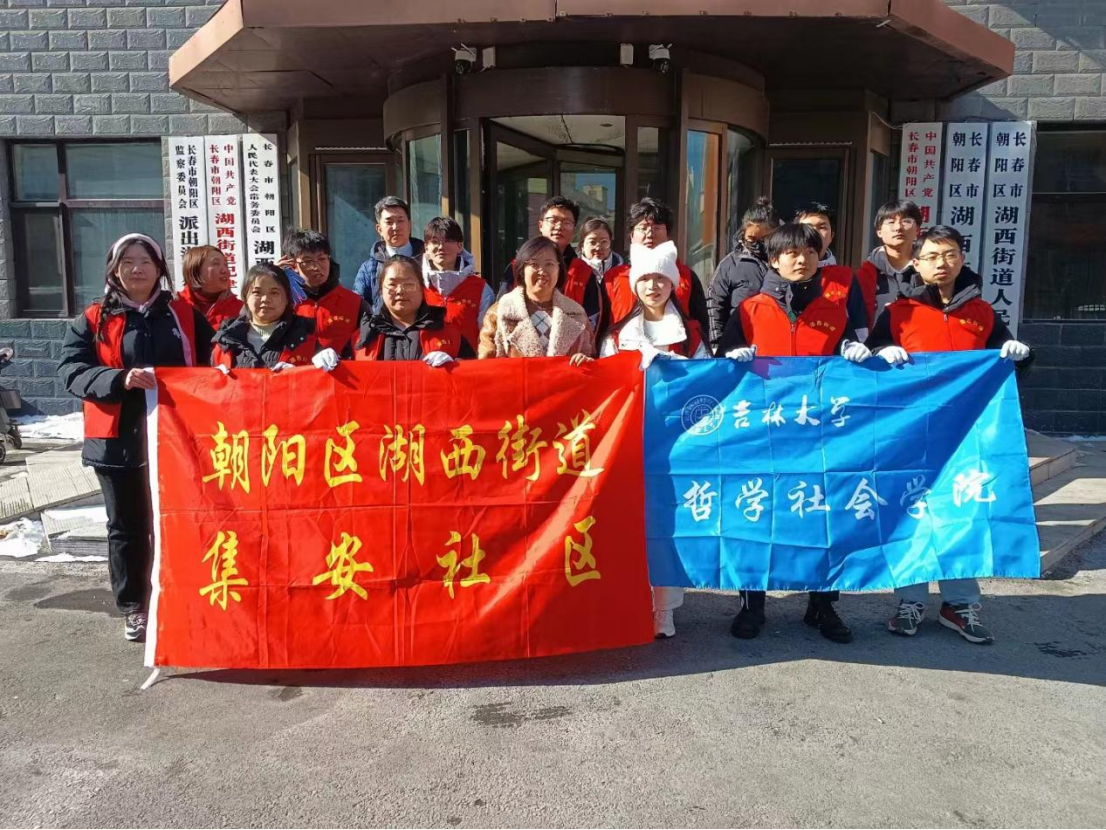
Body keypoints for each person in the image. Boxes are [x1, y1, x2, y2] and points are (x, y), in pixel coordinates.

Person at [867, 225, 1032, 645]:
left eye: (951, 254)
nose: (942, 263)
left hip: (968, 435)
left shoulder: (982, 313)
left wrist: (1020, 355)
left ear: (962, 259)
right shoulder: (897, 313)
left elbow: (1006, 361)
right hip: (911, 434)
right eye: (932, 256)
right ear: (916, 263)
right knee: (912, 512)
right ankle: (910, 601)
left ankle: (960, 604)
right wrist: (880, 353)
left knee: (963, 511)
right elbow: (868, 369)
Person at [720, 223, 876, 644]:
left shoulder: (834, 310)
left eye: (809, 251)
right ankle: (752, 604)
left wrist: (854, 350)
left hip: (819, 436)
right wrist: (731, 357)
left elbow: (850, 364)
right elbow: (720, 367)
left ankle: (822, 604)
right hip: (763, 435)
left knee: (821, 517)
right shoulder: (749, 310)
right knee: (757, 515)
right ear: (774, 259)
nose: (801, 259)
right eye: (791, 252)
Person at [58, 233, 214, 643]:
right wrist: (119, 379)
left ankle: (180, 596)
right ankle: (135, 606)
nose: (137, 269)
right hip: (116, 442)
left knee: (177, 521)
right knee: (126, 527)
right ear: (114, 269)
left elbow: (216, 359)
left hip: (178, 439)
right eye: (127, 262)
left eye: (145, 261)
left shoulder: (183, 315)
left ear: (159, 268)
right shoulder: (93, 318)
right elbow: (71, 371)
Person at [599, 240, 708, 639]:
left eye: (661, 279)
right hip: (630, 438)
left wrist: (675, 367)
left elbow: (705, 382)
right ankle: (629, 600)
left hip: (677, 442)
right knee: (630, 523)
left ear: (673, 284)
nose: (652, 286)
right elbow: (605, 383)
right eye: (645, 279)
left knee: (667, 524)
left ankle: (665, 608)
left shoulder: (689, 334)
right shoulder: (616, 334)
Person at [603, 198, 710, 335]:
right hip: (624, 347)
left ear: (668, 235)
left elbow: (701, 327)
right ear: (631, 236)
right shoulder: (613, 278)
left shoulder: (685, 276)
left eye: (656, 228)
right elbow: (601, 328)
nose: (649, 234)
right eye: (643, 228)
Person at [479, 236, 594, 362]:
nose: (542, 271)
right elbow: (486, 364)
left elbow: (593, 358)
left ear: (559, 269)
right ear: (522, 269)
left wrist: (585, 361)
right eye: (534, 264)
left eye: (549, 264)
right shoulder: (499, 312)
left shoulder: (577, 314)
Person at [498, 196, 605, 331]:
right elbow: (501, 309)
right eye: (553, 220)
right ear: (541, 225)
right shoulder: (518, 266)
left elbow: (593, 319)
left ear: (574, 231)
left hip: (571, 342)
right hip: (521, 340)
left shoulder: (584, 272)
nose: (559, 226)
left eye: (566, 222)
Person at [211, 262, 332, 371]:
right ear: (245, 297)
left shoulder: (306, 337)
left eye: (274, 293)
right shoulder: (226, 339)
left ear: (287, 299)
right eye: (257, 292)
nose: (265, 299)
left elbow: (319, 384)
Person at [355, 255, 473, 363]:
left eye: (408, 284)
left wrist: (454, 365)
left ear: (422, 289)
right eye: (392, 285)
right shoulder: (363, 337)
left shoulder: (450, 334)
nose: (400, 291)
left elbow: (472, 373)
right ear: (381, 290)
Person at [707, 197, 781, 349]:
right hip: (739, 344)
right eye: (752, 239)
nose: (758, 244)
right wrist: (716, 344)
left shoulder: (786, 262)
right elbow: (714, 305)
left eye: (765, 239)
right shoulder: (730, 264)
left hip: (776, 342)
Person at [286, 229, 370, 358]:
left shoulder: (356, 303)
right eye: (307, 261)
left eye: (321, 259)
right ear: (293, 265)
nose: (316, 267)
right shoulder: (284, 304)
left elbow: (368, 348)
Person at [420, 217, 493, 354]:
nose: (441, 247)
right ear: (426, 247)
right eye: (435, 241)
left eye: (448, 240)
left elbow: (488, 338)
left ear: (459, 246)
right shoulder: (417, 286)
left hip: (468, 364)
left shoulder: (480, 288)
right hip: (425, 364)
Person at [855, 198, 923, 329]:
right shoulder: (863, 276)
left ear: (917, 230)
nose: (898, 228)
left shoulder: (928, 271)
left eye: (906, 221)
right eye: (891, 222)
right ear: (879, 231)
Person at [352, 196, 426, 311]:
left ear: (410, 225)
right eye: (389, 222)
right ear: (379, 229)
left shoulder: (427, 260)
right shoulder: (369, 268)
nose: (395, 227)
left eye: (400, 221)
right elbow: (357, 306)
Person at [176, 245, 243, 329]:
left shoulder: (241, 310)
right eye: (216, 263)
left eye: (226, 265)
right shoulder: (174, 306)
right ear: (194, 269)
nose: (225, 270)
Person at [578, 217, 625, 289]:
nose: (598, 248)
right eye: (592, 242)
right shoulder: (572, 272)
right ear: (582, 246)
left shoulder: (625, 272)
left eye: (604, 242)